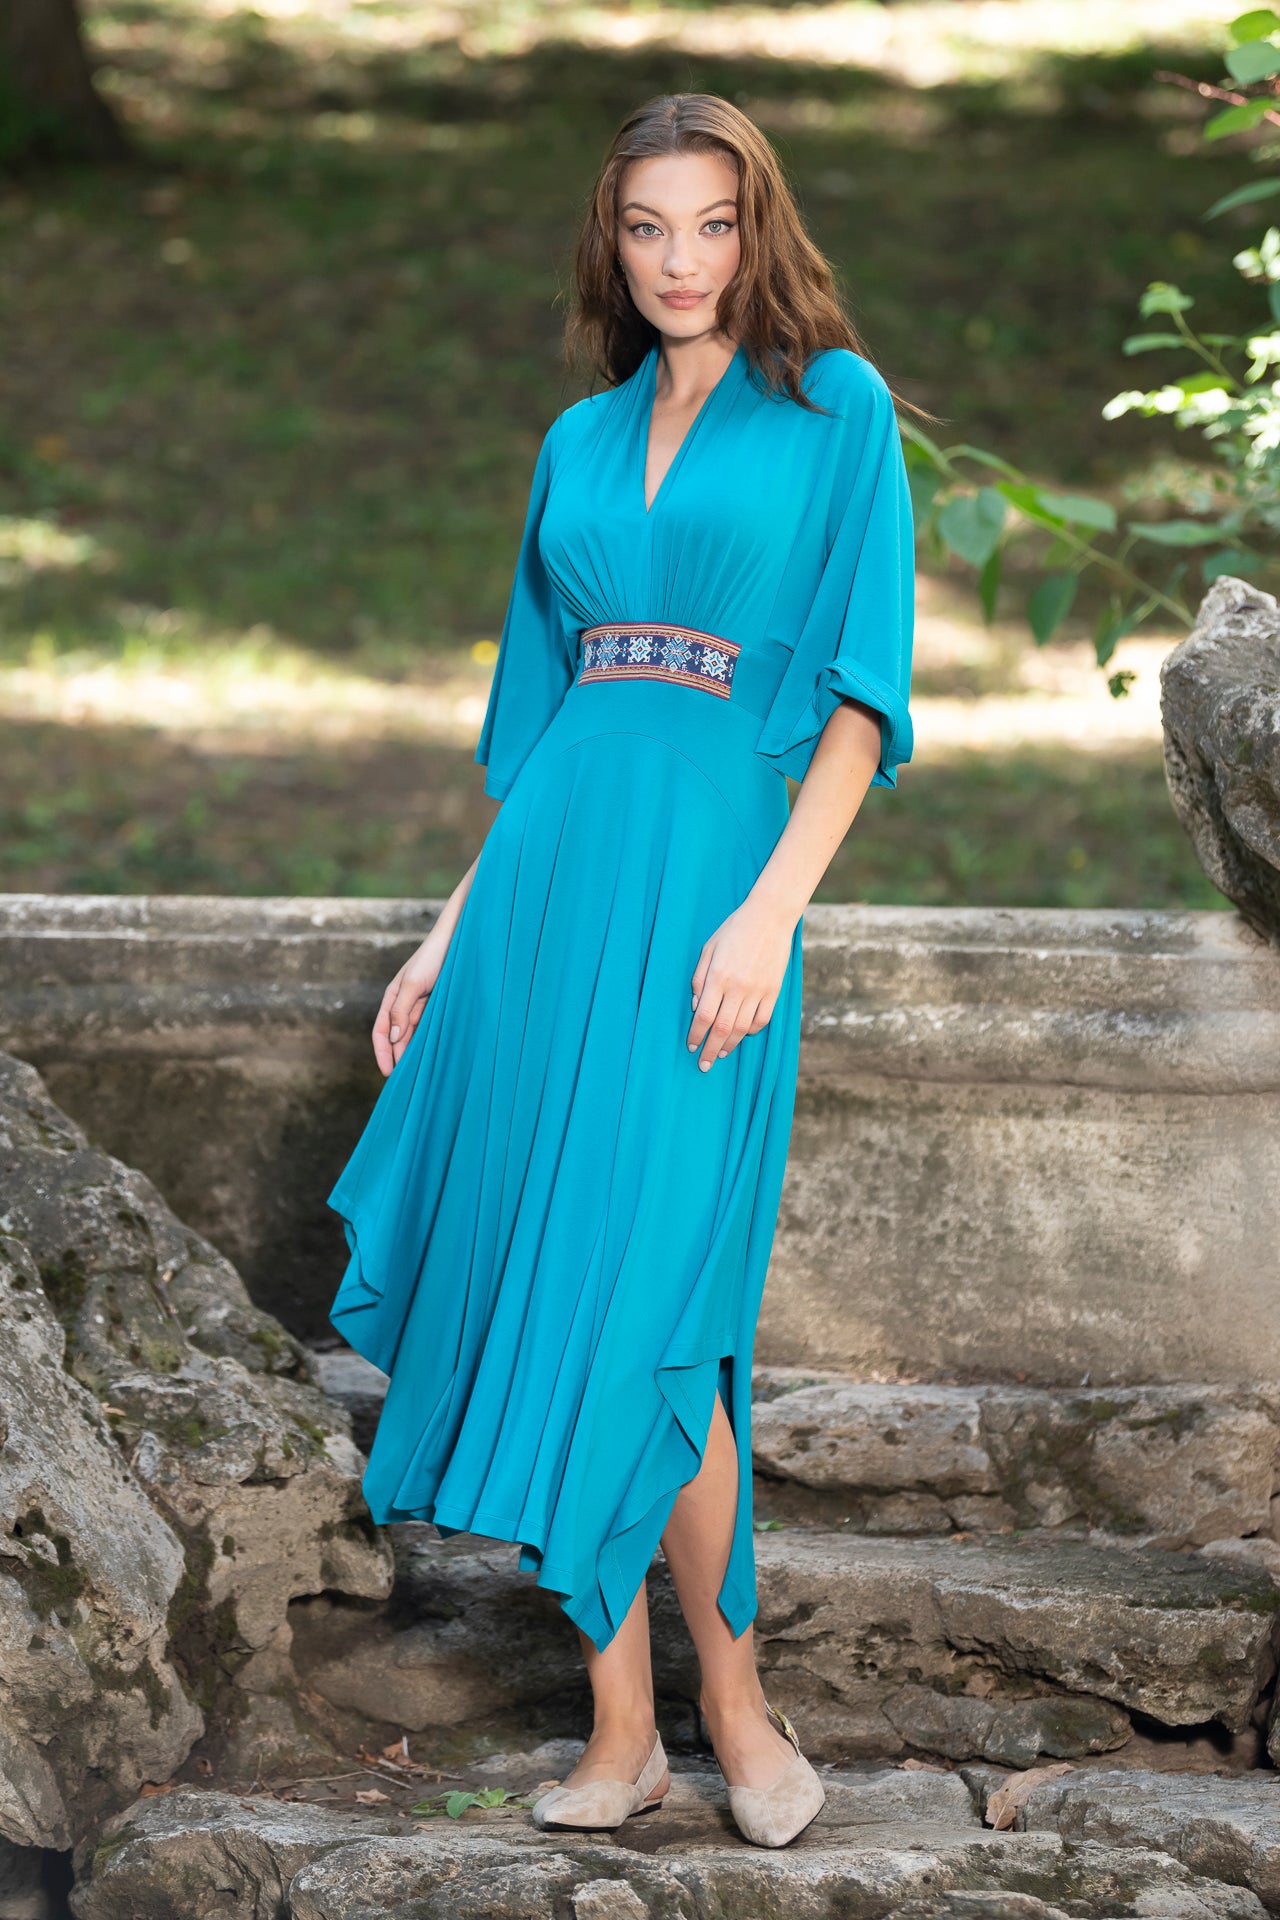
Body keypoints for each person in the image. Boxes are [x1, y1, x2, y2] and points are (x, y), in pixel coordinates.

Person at [326, 91, 917, 1850]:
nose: (681, 259)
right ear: (614, 239)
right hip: (547, 901)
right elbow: (541, 734)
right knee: (560, 1281)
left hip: (713, 894)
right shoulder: (574, 443)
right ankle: (620, 1730)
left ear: (758, 230)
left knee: (660, 1303)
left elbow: (864, 697)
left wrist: (770, 914)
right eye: (649, 226)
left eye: (713, 223)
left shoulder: (836, 410)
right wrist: (449, 934)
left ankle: (734, 1706)